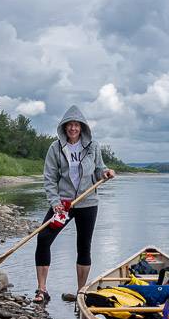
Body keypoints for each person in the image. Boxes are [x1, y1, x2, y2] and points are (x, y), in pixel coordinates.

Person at [33, 105, 115, 303]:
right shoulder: (55, 148)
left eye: (76, 125)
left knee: (83, 246)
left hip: (88, 203)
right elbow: (50, 178)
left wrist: (105, 174)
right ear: (64, 127)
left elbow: (98, 170)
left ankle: (81, 292)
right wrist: (55, 203)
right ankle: (42, 290)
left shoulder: (93, 146)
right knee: (43, 239)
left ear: (82, 127)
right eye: (69, 125)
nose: (73, 128)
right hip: (63, 205)